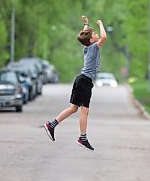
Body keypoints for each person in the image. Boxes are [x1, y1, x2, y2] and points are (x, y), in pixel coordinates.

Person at [43, 15, 107, 151]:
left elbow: (85, 37)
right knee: (85, 110)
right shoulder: (94, 47)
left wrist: (86, 24)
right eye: (94, 34)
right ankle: (82, 138)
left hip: (81, 80)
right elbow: (104, 37)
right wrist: (101, 24)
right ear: (91, 40)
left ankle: (52, 125)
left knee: (74, 108)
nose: (97, 34)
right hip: (84, 82)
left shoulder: (87, 47)